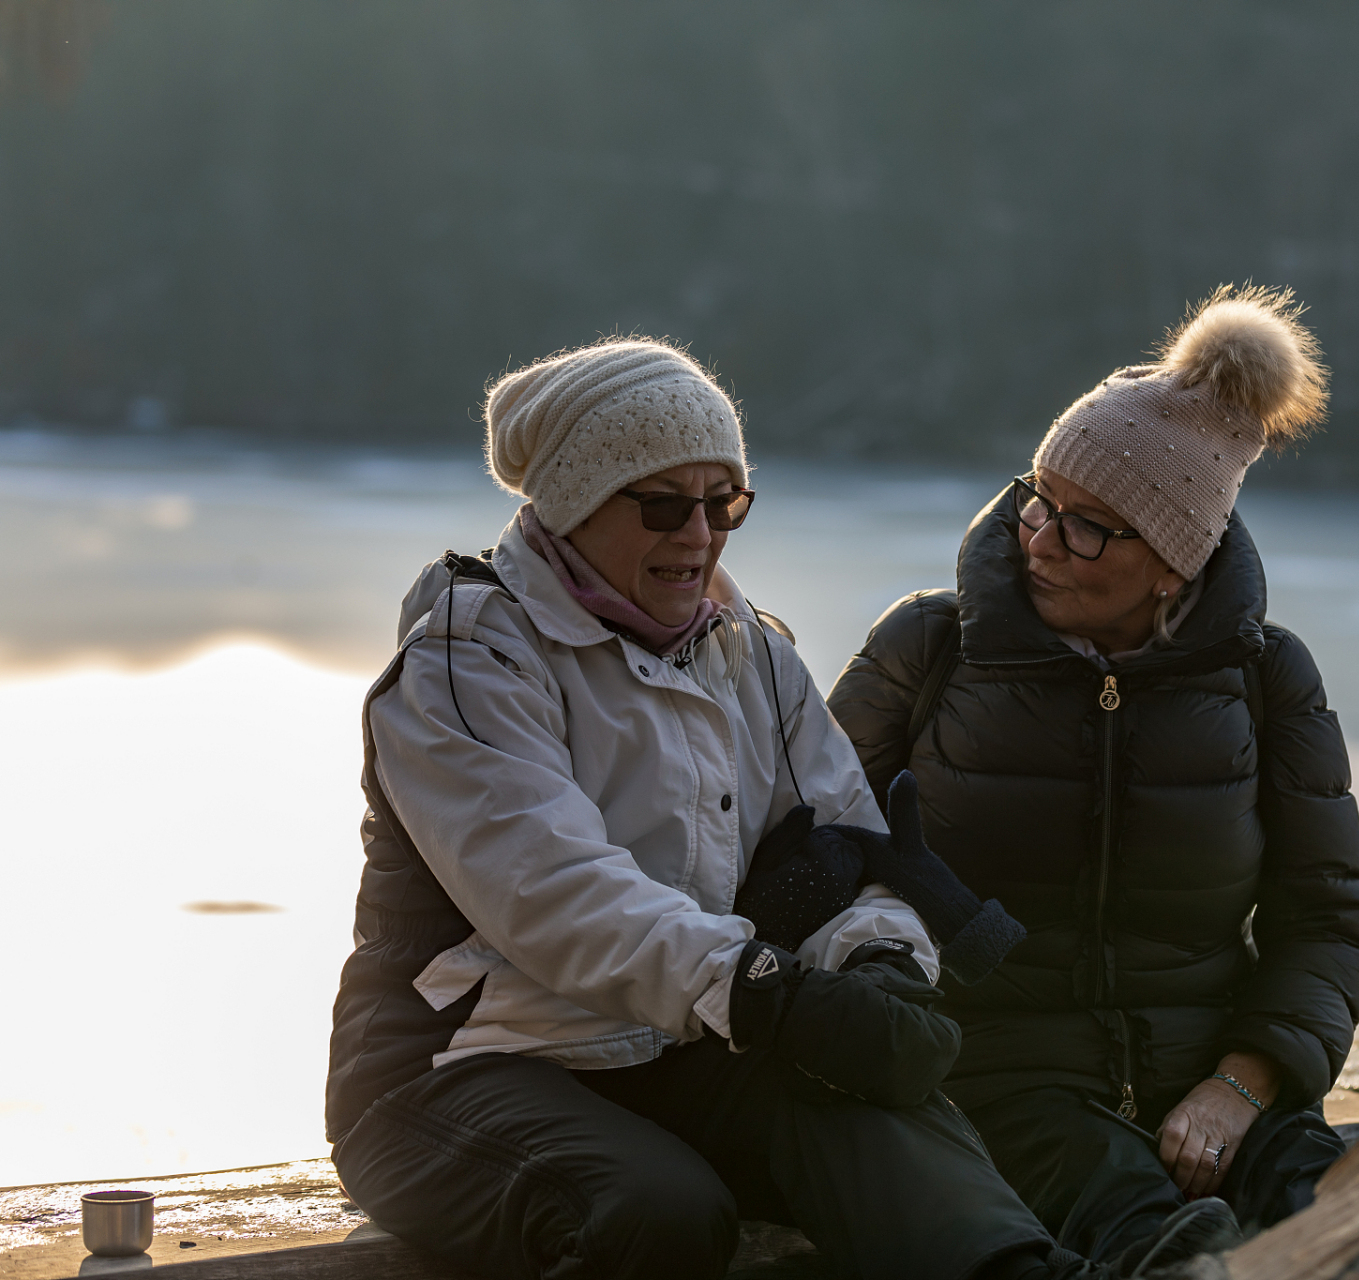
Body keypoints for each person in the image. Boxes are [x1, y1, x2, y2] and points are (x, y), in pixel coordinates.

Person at [322, 339, 1195, 1280]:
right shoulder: (471, 653)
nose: (698, 535)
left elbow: (852, 846)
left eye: (724, 501)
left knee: (881, 1117)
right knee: (656, 1215)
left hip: (677, 1046)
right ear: (572, 505)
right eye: (662, 504)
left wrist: (882, 965)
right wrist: (768, 993)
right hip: (455, 1068)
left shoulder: (752, 652)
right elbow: (555, 894)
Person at [827, 287, 1359, 1266]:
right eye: (1039, 498)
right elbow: (808, 850)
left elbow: (1326, 912)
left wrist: (1245, 1081)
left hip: (1212, 1069)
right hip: (998, 1080)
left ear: (1175, 560)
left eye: (1089, 526)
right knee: (1162, 1240)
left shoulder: (1266, 676)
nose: (1038, 538)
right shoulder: (929, 648)